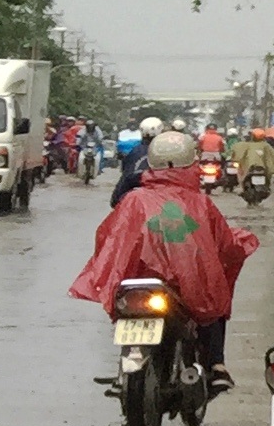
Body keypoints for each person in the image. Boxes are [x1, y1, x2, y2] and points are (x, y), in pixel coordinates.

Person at [73, 128, 258, 393]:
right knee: (213, 305)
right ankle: (216, 365)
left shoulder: (133, 200)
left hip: (138, 282)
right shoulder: (199, 203)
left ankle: (126, 368)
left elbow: (109, 239)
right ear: (191, 161)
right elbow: (224, 245)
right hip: (186, 285)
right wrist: (240, 245)